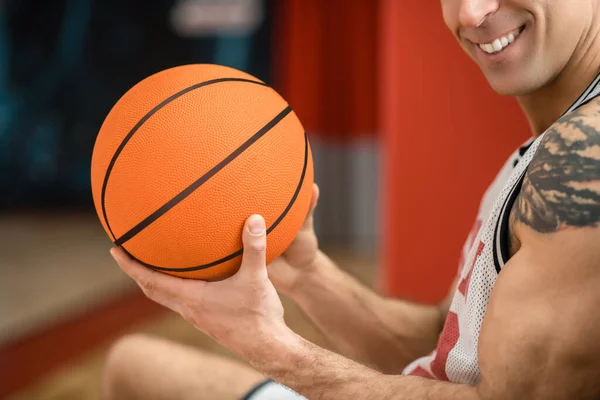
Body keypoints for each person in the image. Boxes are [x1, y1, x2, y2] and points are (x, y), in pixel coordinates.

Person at [101, 1, 600, 399]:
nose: (470, 13)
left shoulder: (583, 162)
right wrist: (307, 273)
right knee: (132, 364)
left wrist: (268, 346)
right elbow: (441, 345)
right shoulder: (557, 141)